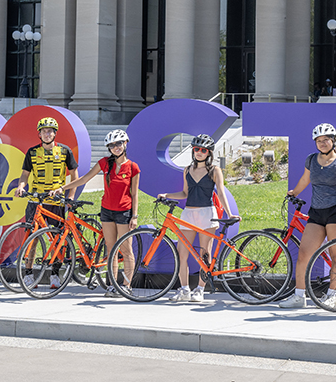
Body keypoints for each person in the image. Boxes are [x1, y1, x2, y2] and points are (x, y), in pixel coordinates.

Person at [278, 123, 336, 309]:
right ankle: (299, 296)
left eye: (326, 140)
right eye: (319, 141)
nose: (323, 143)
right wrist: (293, 192)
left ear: (333, 141)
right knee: (304, 254)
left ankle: (332, 296)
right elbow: (306, 179)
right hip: (316, 212)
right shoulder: (311, 159)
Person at [67, 129, 140, 296]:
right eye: (112, 145)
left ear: (125, 144)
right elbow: (84, 179)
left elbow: (135, 194)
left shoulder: (133, 167)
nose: (116, 147)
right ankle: (113, 285)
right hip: (107, 211)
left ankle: (127, 286)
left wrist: (134, 216)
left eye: (119, 144)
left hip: (124, 212)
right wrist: (62, 188)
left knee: (126, 249)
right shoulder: (105, 163)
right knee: (111, 248)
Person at [158, 134, 231, 303]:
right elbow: (185, 193)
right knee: (181, 253)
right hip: (188, 214)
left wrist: (230, 213)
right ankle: (184, 289)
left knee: (204, 254)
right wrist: (167, 195)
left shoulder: (215, 170)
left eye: (203, 150)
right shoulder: (187, 170)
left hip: (207, 214)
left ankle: (200, 289)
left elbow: (220, 192)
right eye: (196, 149)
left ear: (209, 153)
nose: (199, 152)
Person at [15, 116, 78, 289]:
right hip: (35, 200)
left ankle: (55, 274)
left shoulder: (65, 151)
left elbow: (75, 175)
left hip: (55, 202)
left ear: (55, 133)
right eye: (44, 131)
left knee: (57, 238)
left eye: (50, 131)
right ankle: (28, 274)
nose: (47, 134)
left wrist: (71, 197)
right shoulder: (32, 152)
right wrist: (21, 186)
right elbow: (25, 174)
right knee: (31, 238)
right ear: (39, 134)